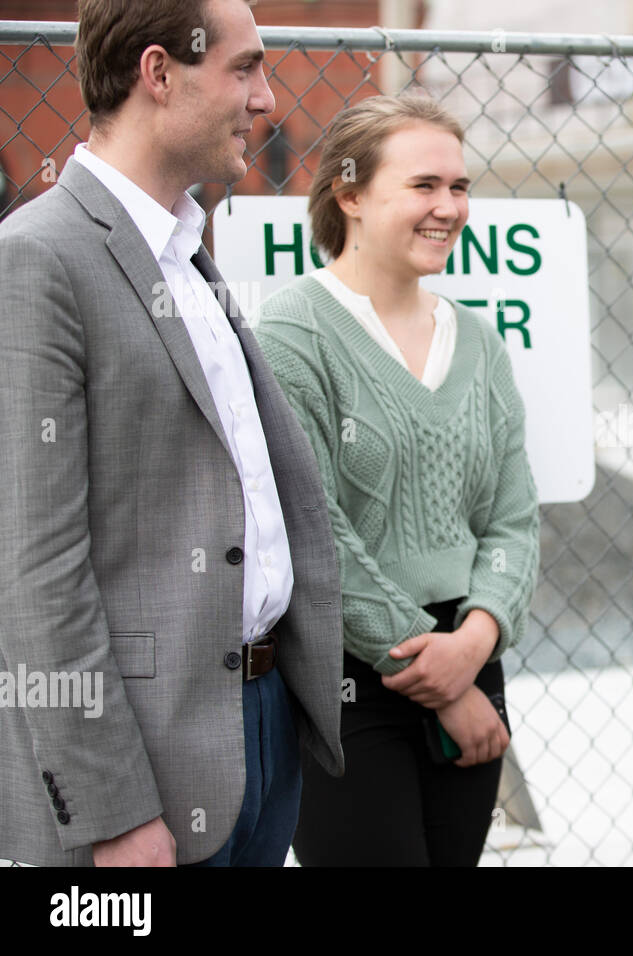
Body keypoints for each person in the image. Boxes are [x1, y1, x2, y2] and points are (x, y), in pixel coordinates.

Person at [0, 0, 345, 867]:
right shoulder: (36, 258)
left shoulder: (186, 254)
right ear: (159, 73)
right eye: (244, 69)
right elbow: (33, 567)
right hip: (146, 770)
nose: (266, 99)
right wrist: (112, 811)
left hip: (259, 731)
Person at [255, 93, 541, 866]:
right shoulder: (292, 333)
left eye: (460, 187)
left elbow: (514, 520)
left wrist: (475, 642)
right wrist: (442, 676)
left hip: (475, 660)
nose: (449, 207)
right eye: (424, 186)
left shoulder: (479, 344)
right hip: (346, 676)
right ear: (348, 193)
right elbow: (313, 529)